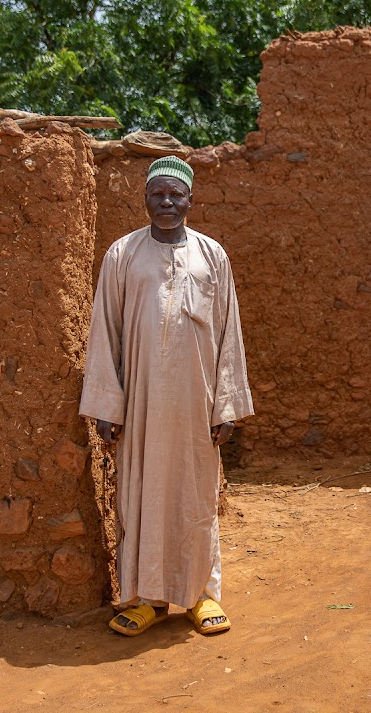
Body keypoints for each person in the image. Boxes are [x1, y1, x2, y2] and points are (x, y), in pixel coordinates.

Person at [80, 155, 253, 637]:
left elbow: (229, 334)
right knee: (141, 497)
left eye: (176, 194)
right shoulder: (123, 255)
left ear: (191, 200)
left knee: (194, 498)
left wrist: (227, 405)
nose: (167, 202)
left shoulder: (212, 256)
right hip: (139, 407)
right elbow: (105, 332)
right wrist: (107, 405)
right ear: (145, 199)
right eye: (157, 194)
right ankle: (147, 599)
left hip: (195, 407)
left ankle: (201, 594)